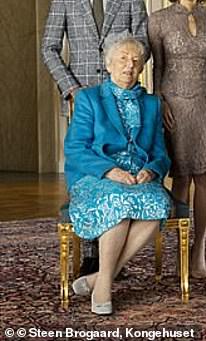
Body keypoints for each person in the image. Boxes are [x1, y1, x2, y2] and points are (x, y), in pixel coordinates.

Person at [41, 0, 149, 277]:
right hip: (83, 97)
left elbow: (143, 45)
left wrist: (127, 75)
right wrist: (72, 89)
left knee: (123, 167)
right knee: (88, 170)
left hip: (122, 96)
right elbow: (50, 48)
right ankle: (91, 254)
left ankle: (114, 249)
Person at [64, 37, 172, 316]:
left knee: (159, 205)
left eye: (136, 60)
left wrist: (153, 169)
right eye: (123, 58)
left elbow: (161, 152)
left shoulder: (151, 104)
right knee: (119, 205)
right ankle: (103, 288)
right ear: (109, 64)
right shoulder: (90, 98)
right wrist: (110, 170)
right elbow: (75, 149)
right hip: (98, 174)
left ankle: (100, 277)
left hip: (138, 176)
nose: (129, 65)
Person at [149, 0, 206, 278]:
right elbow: (157, 68)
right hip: (174, 104)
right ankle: (178, 250)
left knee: (205, 179)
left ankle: (199, 252)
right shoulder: (159, 19)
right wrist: (159, 103)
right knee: (180, 178)